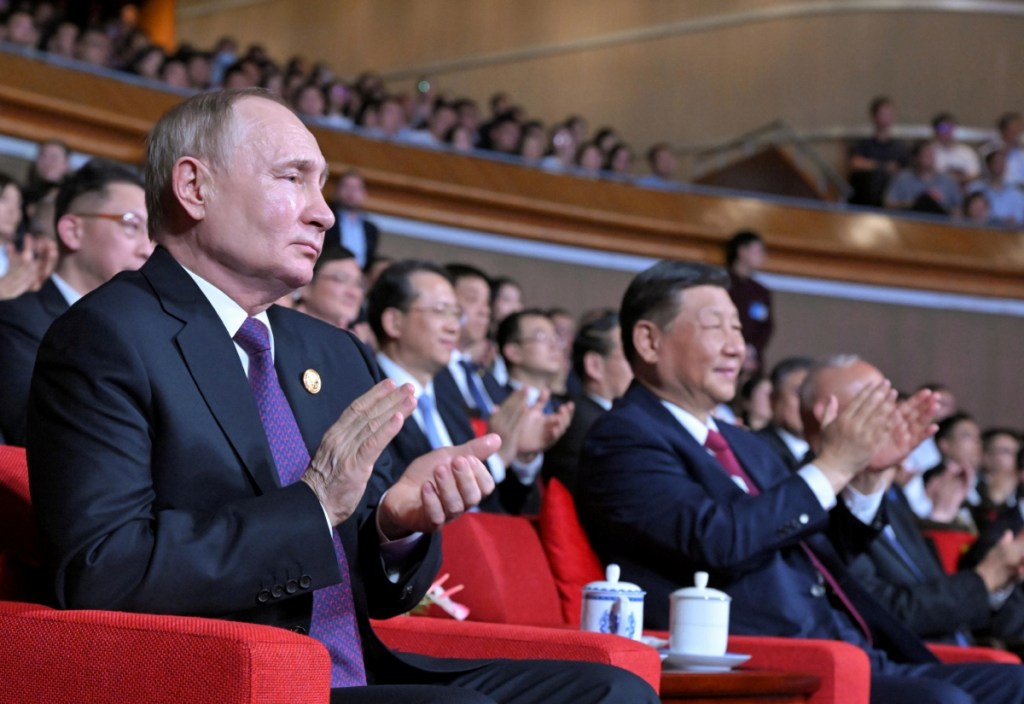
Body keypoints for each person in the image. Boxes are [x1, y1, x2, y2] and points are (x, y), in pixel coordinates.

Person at [26, 89, 655, 704]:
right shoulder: (106, 336)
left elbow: (380, 595)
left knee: (609, 689)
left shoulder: (329, 351)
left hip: (364, 670)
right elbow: (103, 571)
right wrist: (315, 503)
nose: (323, 213)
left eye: (321, 185)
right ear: (195, 188)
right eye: (293, 178)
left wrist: (394, 524)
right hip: (238, 677)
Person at [578, 259, 1024, 704]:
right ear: (649, 341)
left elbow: (819, 548)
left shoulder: (743, 443)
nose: (737, 348)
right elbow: (718, 540)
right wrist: (834, 463)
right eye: (716, 328)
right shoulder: (623, 439)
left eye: (738, 329)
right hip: (772, 665)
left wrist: (865, 477)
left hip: (854, 651)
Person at [809, 358, 1024, 648]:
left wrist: (995, 583)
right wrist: (984, 578)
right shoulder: (818, 502)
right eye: (876, 401)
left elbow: (930, 587)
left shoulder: (890, 506)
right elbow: (886, 612)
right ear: (828, 412)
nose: (894, 415)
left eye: (892, 401)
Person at [368, 260, 568, 517]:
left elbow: (496, 509)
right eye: (440, 311)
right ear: (393, 321)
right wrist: (497, 459)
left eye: (455, 314)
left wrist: (519, 456)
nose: (454, 326)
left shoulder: (447, 396)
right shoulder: (366, 394)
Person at [0, 158, 152, 446]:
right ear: (72, 231)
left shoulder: (148, 330)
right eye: (132, 225)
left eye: (152, 232)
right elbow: (35, 434)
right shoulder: (17, 321)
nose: (147, 249)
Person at [542, 311, 632, 497]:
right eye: (628, 355)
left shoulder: (609, 417)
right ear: (594, 365)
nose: (639, 365)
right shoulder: (579, 423)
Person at [724, 230, 773, 375]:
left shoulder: (761, 291)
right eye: (758, 251)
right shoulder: (722, 284)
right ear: (742, 251)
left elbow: (766, 326)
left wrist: (752, 350)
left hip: (751, 359)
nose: (763, 256)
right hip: (724, 352)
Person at [847, 96, 910, 207]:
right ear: (874, 117)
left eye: (889, 114)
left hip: (892, 192)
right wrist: (882, 166)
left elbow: (905, 170)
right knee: (876, 177)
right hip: (866, 193)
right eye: (883, 114)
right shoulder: (864, 144)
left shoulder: (899, 147)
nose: (886, 118)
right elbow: (856, 163)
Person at [755, 356, 814, 472]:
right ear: (773, 399)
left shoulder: (827, 454)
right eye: (799, 393)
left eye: (813, 395)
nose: (806, 403)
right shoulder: (754, 447)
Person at [295, 244, 365, 331]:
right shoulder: (278, 335)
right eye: (340, 279)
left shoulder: (355, 341)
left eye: (359, 284)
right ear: (305, 286)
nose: (353, 293)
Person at [324, 169, 379, 271]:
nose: (351, 192)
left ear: (364, 194)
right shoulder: (326, 219)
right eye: (346, 186)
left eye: (356, 188)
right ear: (336, 191)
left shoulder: (371, 229)